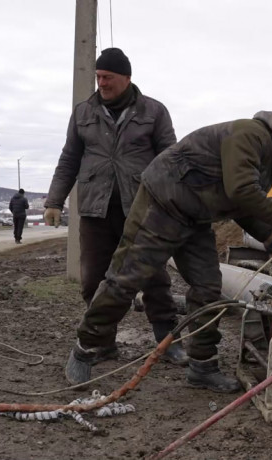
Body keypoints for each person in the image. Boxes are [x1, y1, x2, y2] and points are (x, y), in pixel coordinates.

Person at [64, 111, 272, 393]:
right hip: (163, 203)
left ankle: (203, 366)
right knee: (126, 278)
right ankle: (85, 347)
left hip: (195, 215)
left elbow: (242, 206)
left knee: (208, 286)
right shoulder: (252, 135)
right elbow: (241, 191)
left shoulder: (270, 161)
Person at [42, 48, 184, 365]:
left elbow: (171, 158)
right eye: (98, 77)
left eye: (107, 77)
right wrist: (54, 200)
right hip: (96, 209)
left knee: (155, 278)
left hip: (142, 208)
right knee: (93, 279)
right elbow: (69, 159)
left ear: (126, 78)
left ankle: (167, 342)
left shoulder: (154, 111)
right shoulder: (83, 113)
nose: (101, 83)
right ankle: (103, 342)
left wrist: (173, 202)